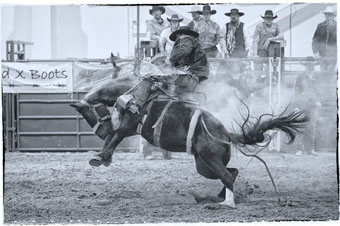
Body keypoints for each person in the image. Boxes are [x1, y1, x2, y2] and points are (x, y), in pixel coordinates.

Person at [292, 60, 320, 156]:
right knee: (301, 126)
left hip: (312, 105)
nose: (310, 68)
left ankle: (310, 149)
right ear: (305, 67)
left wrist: (318, 101)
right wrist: (296, 106)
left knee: (312, 127)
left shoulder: (316, 78)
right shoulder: (300, 77)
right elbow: (296, 92)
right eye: (308, 66)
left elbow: (318, 91)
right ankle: (299, 149)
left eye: (311, 66)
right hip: (302, 104)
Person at [312, 6, 337, 72]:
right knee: (323, 73)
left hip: (333, 55)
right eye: (326, 14)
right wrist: (315, 52)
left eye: (329, 14)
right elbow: (315, 40)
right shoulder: (320, 26)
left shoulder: (337, 27)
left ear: (332, 16)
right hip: (322, 55)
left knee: (329, 73)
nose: (327, 16)